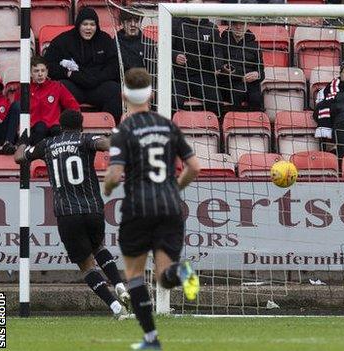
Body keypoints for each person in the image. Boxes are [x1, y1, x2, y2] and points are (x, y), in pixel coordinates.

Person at [103, 68, 201, 350]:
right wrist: (176, 188)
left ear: (124, 96)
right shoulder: (168, 126)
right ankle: (182, 272)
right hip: (170, 205)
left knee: (135, 275)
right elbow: (195, 167)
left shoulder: (124, 130)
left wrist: (108, 189)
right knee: (164, 276)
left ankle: (151, 339)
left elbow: (113, 174)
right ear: (151, 95)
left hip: (138, 207)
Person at [13, 110, 130, 320]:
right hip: (92, 207)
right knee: (99, 247)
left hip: (67, 213)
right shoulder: (85, 139)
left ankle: (116, 308)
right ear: (81, 125)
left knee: (86, 266)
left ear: (61, 125)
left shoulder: (47, 145)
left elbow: (20, 157)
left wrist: (23, 141)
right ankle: (121, 285)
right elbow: (106, 144)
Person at [43, 7, 123, 124]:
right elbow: (49, 65)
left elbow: (114, 66)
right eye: (85, 24)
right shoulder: (63, 40)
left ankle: (108, 129)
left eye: (92, 24)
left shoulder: (105, 40)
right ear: (78, 25)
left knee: (115, 90)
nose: (88, 28)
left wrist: (97, 78)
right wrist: (68, 73)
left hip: (98, 86)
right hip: (74, 86)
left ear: (97, 26)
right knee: (59, 88)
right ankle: (64, 130)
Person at [172, 0, 223, 116]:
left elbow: (217, 51)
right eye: (192, 5)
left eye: (198, 5)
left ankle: (212, 131)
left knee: (216, 101)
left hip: (202, 74)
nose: (195, 8)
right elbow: (164, 46)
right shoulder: (175, 24)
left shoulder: (211, 27)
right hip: (179, 74)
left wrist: (217, 65)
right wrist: (175, 56)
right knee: (173, 102)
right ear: (186, 6)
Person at [19, 56, 80, 146]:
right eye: (36, 71)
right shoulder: (25, 89)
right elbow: (17, 110)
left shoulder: (56, 86)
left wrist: (76, 124)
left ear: (47, 72)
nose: (40, 74)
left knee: (57, 129)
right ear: (30, 73)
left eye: (43, 71)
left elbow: (73, 106)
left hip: (53, 127)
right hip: (34, 130)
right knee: (40, 127)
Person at [217, 21, 265, 111]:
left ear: (247, 25)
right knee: (237, 93)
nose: (238, 27)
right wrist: (223, 70)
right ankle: (232, 123)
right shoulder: (221, 43)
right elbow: (217, 66)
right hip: (229, 83)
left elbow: (262, 73)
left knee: (256, 98)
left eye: (242, 24)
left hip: (250, 84)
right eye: (235, 24)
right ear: (230, 25)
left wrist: (257, 74)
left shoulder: (255, 45)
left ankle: (255, 123)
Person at [117, 9, 155, 73]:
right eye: (129, 21)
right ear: (122, 23)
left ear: (140, 23)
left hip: (145, 81)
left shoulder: (149, 44)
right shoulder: (115, 43)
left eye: (136, 21)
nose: (133, 24)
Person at [0, 72, 19, 154]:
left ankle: (8, 144)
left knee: (16, 105)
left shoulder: (4, 101)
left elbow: (10, 120)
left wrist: (0, 122)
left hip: (0, 132)